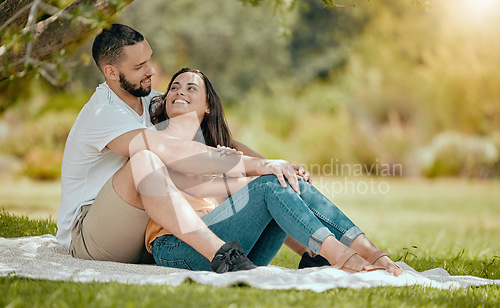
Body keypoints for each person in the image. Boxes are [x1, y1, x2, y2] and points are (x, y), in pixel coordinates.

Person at [56, 24, 305, 269]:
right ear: (111, 72)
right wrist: (259, 166)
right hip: (90, 234)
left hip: (145, 227)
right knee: (145, 159)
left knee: (260, 179)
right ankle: (220, 255)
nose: (151, 70)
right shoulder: (103, 113)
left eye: (149, 60)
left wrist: (274, 166)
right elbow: (171, 151)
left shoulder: (152, 100)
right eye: (139, 66)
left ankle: (311, 252)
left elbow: (214, 139)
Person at [145, 68, 403, 276]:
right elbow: (258, 185)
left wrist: (291, 172)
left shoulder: (226, 146)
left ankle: (369, 252)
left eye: (191, 88)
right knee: (271, 182)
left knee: (284, 180)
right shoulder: (159, 140)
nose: (179, 92)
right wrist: (266, 174)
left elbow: (279, 188)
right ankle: (340, 256)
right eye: (174, 87)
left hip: (235, 253)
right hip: (178, 249)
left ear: (209, 105)